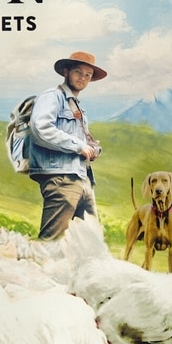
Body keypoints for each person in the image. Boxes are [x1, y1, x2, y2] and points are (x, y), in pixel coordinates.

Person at [28, 50, 106, 239]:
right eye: (78, 72)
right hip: (61, 178)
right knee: (52, 241)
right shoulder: (52, 97)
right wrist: (79, 146)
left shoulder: (77, 106)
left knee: (90, 240)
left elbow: (79, 139)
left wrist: (92, 149)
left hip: (82, 177)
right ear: (66, 72)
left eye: (88, 75)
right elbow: (41, 128)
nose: (83, 78)